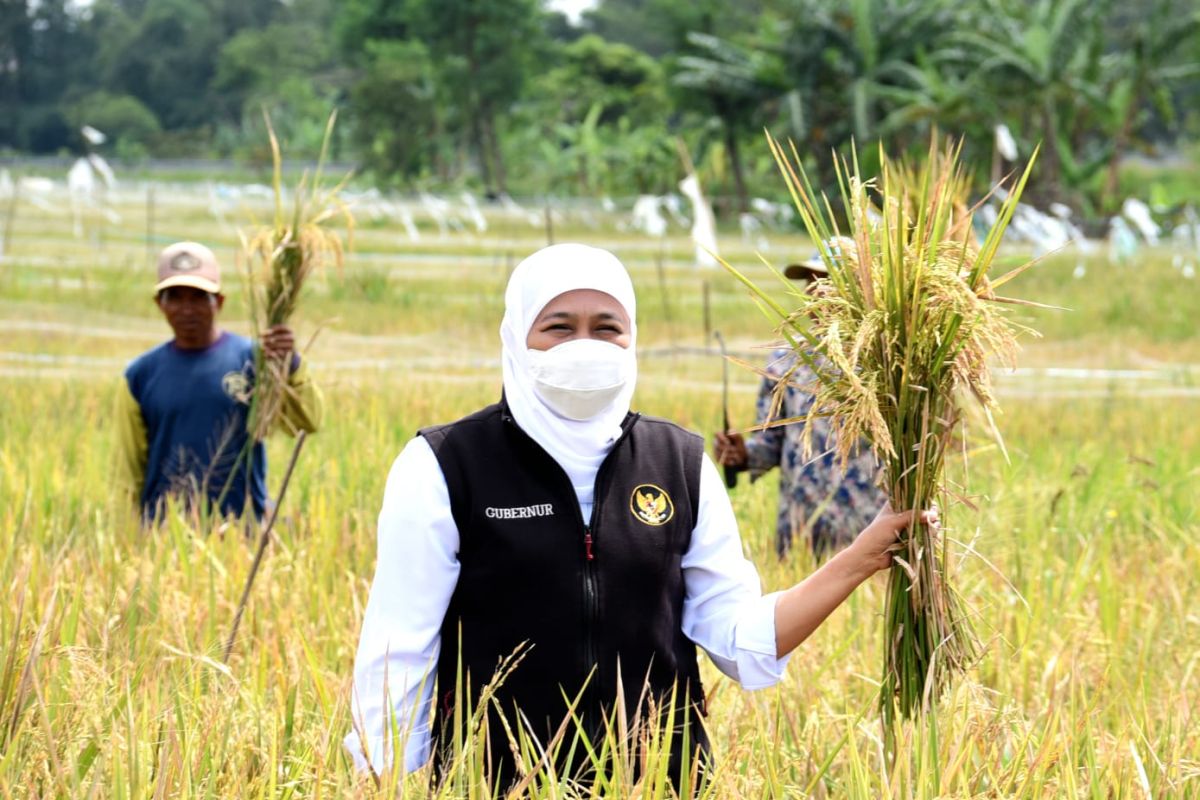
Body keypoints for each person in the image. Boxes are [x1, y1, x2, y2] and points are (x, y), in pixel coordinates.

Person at [344, 244, 932, 789]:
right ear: (516, 337)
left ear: (632, 338)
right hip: (496, 778)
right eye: (558, 327)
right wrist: (381, 772)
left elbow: (741, 640)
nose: (585, 345)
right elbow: (399, 651)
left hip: (655, 780)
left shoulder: (678, 462)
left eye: (606, 328)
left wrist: (861, 559)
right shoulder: (445, 465)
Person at [114, 241, 323, 521]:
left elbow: (307, 422)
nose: (187, 308)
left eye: (199, 296)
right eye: (175, 296)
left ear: (219, 302)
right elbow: (128, 472)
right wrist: (130, 532)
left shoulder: (254, 360)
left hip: (241, 532)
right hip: (165, 534)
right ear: (159, 304)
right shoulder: (140, 375)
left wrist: (290, 364)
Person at [714, 249, 887, 558]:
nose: (816, 291)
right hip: (800, 537)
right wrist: (741, 456)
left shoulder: (886, 359)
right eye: (810, 281)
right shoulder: (786, 361)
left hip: (869, 538)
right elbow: (769, 444)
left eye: (829, 281)